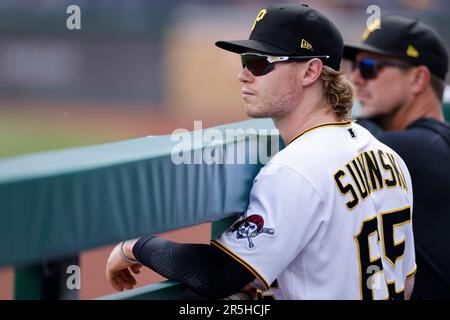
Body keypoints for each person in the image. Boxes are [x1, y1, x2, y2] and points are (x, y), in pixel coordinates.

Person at [106, 4, 416, 300]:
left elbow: (217, 276)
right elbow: (407, 281)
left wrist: (137, 247)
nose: (243, 74)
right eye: (245, 62)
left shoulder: (296, 169)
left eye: (259, 62)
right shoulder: (388, 157)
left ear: (310, 72)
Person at [344, 14, 450, 299]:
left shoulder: (409, 151)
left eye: (369, 67)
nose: (355, 78)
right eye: (355, 66)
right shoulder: (433, 144)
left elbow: (336, 137)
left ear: (418, 79)